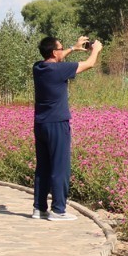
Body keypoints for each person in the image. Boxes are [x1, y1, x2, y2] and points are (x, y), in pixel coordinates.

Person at [32, 35, 101, 220]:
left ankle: (39, 208)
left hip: (41, 124)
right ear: (54, 52)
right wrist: (96, 50)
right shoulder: (59, 70)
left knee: (43, 167)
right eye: (60, 49)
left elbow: (58, 56)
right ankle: (58, 210)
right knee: (60, 166)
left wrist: (74, 47)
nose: (63, 51)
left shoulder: (38, 67)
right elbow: (89, 64)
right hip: (57, 124)